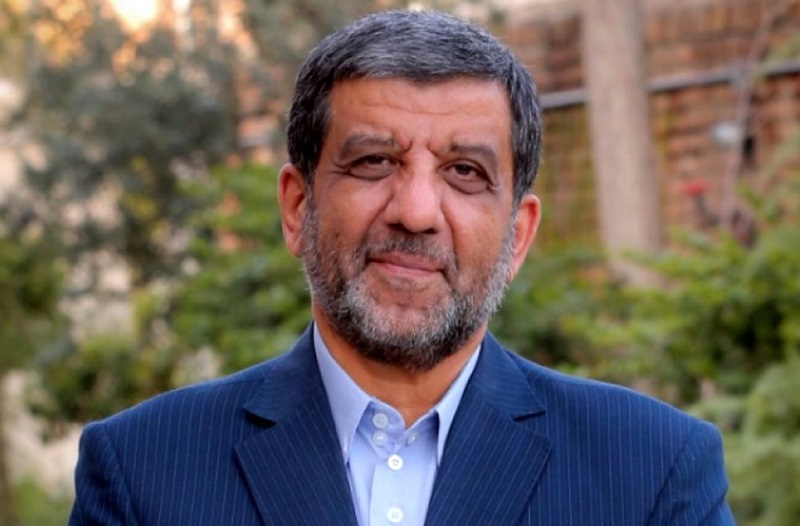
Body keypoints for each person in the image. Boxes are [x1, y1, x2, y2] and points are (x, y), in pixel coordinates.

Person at [69, 10, 734, 526]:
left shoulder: (652, 473)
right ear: (298, 207)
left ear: (519, 236)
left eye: (464, 172)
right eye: (374, 162)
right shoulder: (143, 472)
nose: (416, 212)